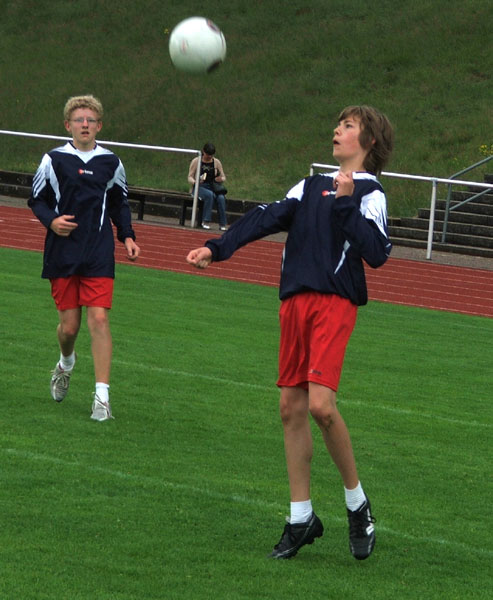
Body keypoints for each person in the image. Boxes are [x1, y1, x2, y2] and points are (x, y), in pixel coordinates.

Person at [186, 105, 394, 560]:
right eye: (337, 123)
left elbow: (377, 253)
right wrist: (217, 248)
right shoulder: (309, 185)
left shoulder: (370, 193)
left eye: (348, 126)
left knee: (321, 406)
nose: (337, 130)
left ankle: (357, 505)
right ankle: (301, 518)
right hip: (294, 303)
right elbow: (265, 217)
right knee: (290, 408)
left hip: (334, 303)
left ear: (370, 141)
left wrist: (345, 202)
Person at [28, 94, 140, 421]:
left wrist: (128, 236)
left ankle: (102, 397)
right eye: (79, 120)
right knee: (69, 327)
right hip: (63, 252)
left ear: (99, 126)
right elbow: (37, 199)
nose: (85, 124)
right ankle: (66, 362)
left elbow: (119, 203)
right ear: (68, 125)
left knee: (99, 319)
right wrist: (52, 221)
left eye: (91, 120)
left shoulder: (111, 162)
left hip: (98, 252)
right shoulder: (53, 160)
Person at [187, 142, 228, 230]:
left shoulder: (216, 162)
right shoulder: (196, 161)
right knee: (209, 195)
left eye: (211, 155)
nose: (209, 157)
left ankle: (222, 224)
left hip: (213, 186)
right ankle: (206, 221)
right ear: (203, 152)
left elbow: (223, 176)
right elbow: (189, 177)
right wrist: (195, 182)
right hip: (200, 187)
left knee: (221, 198)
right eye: (207, 155)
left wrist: (220, 179)